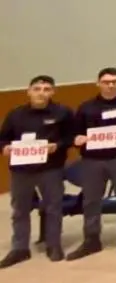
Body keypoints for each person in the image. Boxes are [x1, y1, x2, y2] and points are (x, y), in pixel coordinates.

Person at [0, 75, 74, 268]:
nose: (41, 93)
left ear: (53, 92)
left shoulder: (63, 113)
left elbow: (71, 137)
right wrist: (5, 148)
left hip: (51, 169)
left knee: (53, 208)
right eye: (37, 89)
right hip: (21, 170)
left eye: (46, 89)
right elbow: (3, 139)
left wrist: (57, 146)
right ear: (29, 91)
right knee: (20, 210)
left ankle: (53, 245)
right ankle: (19, 248)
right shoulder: (15, 114)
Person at [68, 68, 116, 260]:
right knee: (91, 201)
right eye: (106, 81)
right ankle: (91, 240)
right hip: (92, 160)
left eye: (114, 81)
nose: (110, 85)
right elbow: (74, 132)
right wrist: (77, 138)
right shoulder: (86, 107)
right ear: (98, 83)